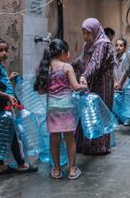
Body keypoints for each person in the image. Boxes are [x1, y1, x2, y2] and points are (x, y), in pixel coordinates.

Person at [35, 39, 87, 179]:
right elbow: (76, 87)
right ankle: (72, 169)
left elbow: (40, 91)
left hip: (53, 108)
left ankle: (57, 169)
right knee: (70, 138)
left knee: (54, 139)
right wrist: (83, 84)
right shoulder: (67, 67)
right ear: (63, 52)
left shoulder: (44, 67)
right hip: (67, 107)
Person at [0, 38, 38, 176]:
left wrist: (9, 78)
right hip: (1, 104)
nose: (4, 53)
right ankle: (21, 164)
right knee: (13, 134)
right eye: (0, 50)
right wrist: (7, 96)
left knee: (4, 133)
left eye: (6, 51)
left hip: (2, 103)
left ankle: (0, 166)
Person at [72, 18, 115, 155]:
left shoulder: (103, 44)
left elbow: (95, 63)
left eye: (88, 33)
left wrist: (84, 76)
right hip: (90, 82)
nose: (85, 36)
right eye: (83, 33)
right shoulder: (88, 45)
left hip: (102, 83)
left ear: (95, 31)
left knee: (98, 112)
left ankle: (98, 146)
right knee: (87, 113)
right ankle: (84, 144)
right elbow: (81, 60)